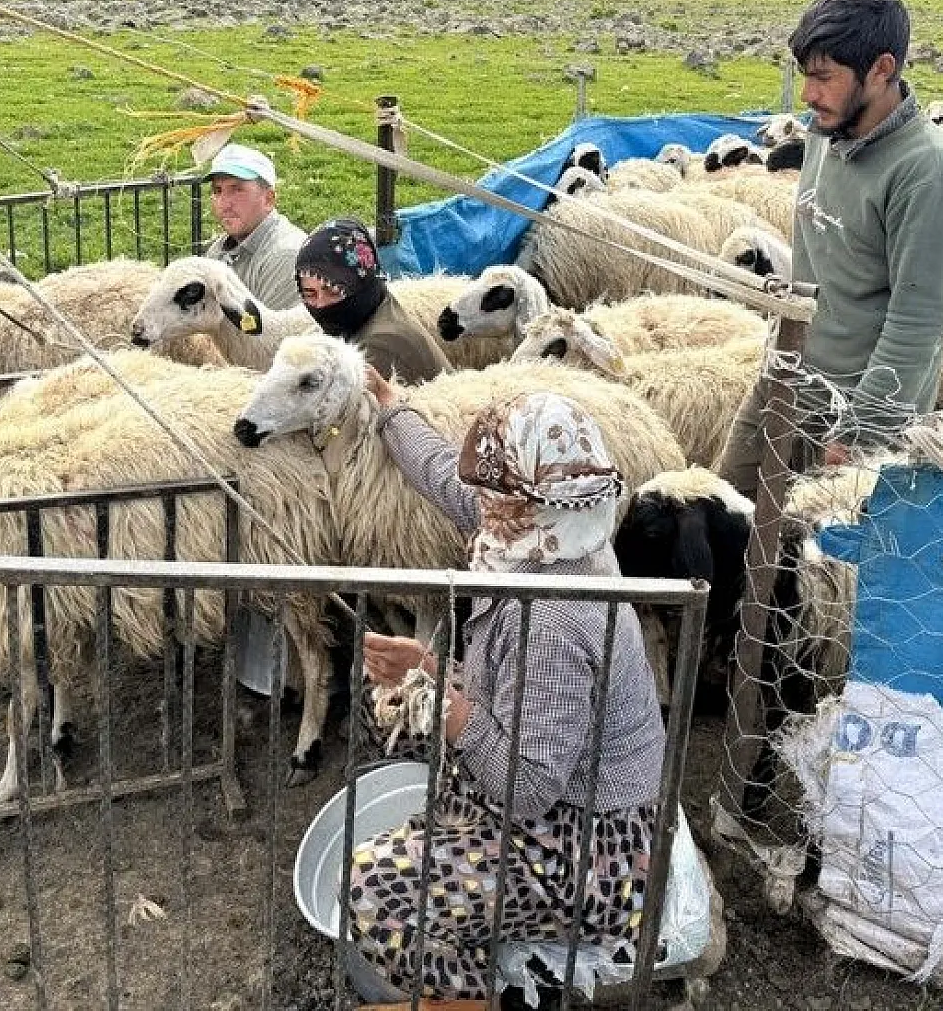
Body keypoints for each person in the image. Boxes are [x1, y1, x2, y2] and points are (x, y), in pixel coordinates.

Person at [346, 379, 668, 1003]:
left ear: (522, 495)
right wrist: (390, 408)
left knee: (373, 890)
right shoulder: (548, 529)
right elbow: (445, 478)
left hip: (589, 846)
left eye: (492, 486)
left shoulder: (549, 616)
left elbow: (529, 787)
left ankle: (472, 997)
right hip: (576, 803)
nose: (478, 499)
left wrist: (446, 701)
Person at [716, 0, 943, 493]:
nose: (809, 94)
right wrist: (778, 372)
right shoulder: (824, 134)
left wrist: (861, 436)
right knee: (730, 513)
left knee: (813, 564)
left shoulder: (929, 174)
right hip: (789, 379)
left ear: (882, 69)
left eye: (824, 78)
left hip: (860, 415)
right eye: (804, 77)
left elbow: (919, 321)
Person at [294, 216, 450, 382]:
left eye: (334, 290)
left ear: (362, 281)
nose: (320, 304)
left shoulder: (377, 347)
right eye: (310, 294)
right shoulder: (375, 308)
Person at [204, 142, 306, 308]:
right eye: (217, 190)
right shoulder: (217, 251)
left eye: (237, 190)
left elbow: (274, 331)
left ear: (268, 199)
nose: (224, 203)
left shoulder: (286, 256)